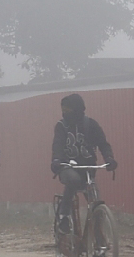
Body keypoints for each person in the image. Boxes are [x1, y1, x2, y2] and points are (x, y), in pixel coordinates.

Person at [50, 93, 117, 238]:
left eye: (68, 109)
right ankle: (64, 216)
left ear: (77, 108)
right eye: (63, 109)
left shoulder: (91, 125)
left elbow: (103, 144)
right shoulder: (61, 126)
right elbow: (58, 145)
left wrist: (109, 158)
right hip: (67, 167)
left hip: (87, 169)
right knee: (73, 180)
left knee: (96, 206)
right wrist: (56, 160)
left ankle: (99, 249)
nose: (65, 112)